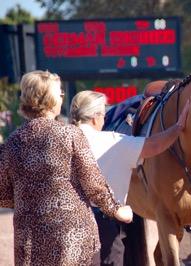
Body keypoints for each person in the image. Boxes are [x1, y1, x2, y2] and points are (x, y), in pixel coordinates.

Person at [0, 70, 133, 265]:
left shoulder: (12, 142)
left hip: (29, 242)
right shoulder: (70, 134)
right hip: (73, 240)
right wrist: (117, 210)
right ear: (49, 98)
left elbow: (2, 192)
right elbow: (93, 183)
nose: (62, 96)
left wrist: (31, 203)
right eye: (59, 92)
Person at [69, 90, 190, 265]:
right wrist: (178, 127)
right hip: (104, 225)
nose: (104, 120)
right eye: (103, 114)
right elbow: (154, 145)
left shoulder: (59, 140)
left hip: (66, 224)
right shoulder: (113, 141)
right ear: (95, 117)